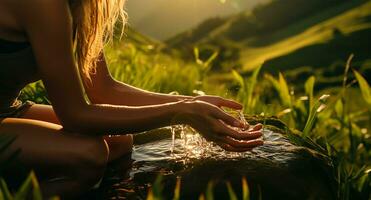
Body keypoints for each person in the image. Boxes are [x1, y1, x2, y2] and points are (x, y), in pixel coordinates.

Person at [0, 0, 263, 198]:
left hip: (8, 110)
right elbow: (75, 115)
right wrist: (180, 113)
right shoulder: (43, 5)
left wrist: (195, 105)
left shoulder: (83, 5)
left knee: (118, 140)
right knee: (87, 156)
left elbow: (104, 90)